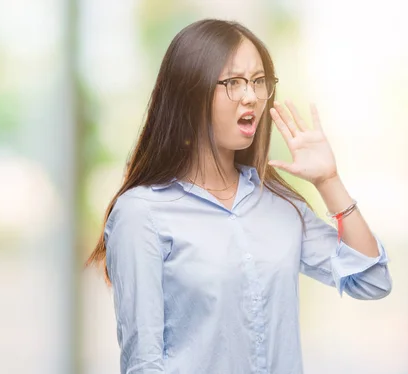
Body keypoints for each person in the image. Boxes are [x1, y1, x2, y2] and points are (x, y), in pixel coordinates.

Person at [85, 19, 392, 374]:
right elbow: (143, 363)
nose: (251, 96)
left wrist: (329, 181)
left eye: (259, 81)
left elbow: (372, 281)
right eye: (233, 82)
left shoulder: (277, 204)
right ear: (190, 91)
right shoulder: (142, 213)